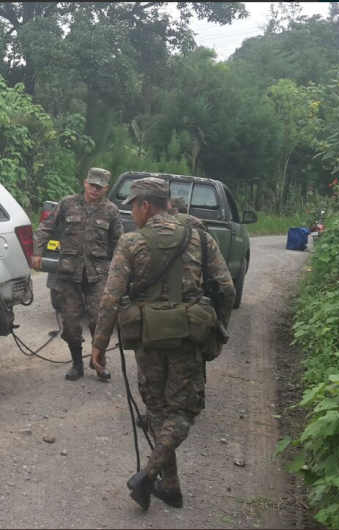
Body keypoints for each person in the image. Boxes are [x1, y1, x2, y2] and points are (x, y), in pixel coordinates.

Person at [90, 177, 235, 511]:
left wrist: (98, 345)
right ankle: (168, 485)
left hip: (149, 340)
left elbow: (110, 300)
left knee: (159, 411)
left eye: (134, 208)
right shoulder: (199, 237)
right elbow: (226, 289)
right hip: (188, 339)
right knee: (182, 410)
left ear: (144, 205)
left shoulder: (130, 242)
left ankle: (151, 475)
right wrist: (220, 331)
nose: (132, 215)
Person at [32, 168, 123, 381]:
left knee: (98, 321)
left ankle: (98, 362)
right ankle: (77, 364)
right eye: (92, 185)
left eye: (99, 187)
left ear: (106, 188)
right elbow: (45, 227)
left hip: (97, 275)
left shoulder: (111, 211)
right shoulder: (67, 203)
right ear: (85, 183)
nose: (94, 190)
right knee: (71, 323)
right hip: (69, 272)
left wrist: (119, 271)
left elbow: (119, 243)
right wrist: (37, 252)